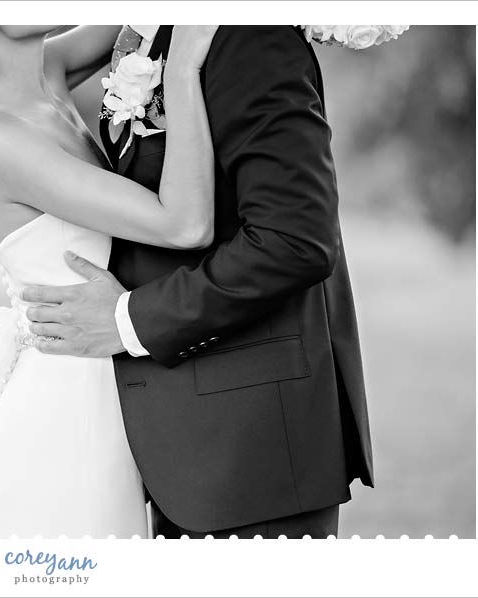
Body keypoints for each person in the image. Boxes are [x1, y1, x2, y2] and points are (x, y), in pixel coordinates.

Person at [21, 26, 375, 539]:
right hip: (179, 437)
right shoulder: (147, 34)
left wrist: (129, 321)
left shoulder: (247, 36)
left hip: (249, 441)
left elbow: (292, 240)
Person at [0, 24, 219, 538]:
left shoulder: (50, 67)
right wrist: (180, 72)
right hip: (62, 410)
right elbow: (185, 225)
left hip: (112, 381)